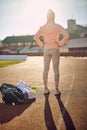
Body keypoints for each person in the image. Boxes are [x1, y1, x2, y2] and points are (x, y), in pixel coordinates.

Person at [34, 9, 70, 95]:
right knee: (56, 70)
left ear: (47, 16)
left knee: (45, 70)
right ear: (54, 16)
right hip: (55, 48)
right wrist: (60, 43)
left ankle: (45, 89)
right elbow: (67, 35)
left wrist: (41, 44)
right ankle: (56, 90)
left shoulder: (43, 27)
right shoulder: (57, 26)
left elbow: (35, 37)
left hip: (46, 49)